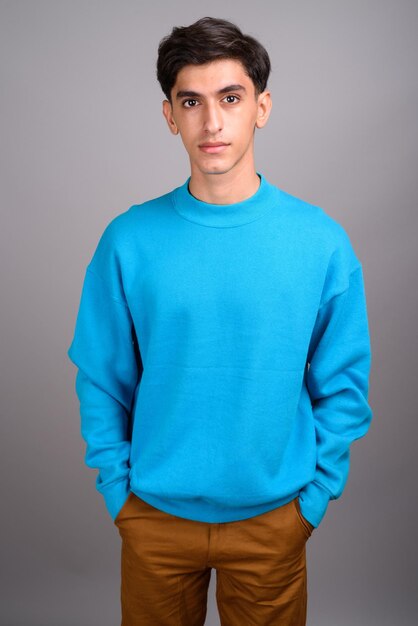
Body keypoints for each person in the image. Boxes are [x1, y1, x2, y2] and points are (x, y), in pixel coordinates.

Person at [67, 15, 373, 626]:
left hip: (273, 519)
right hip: (153, 517)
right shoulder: (128, 240)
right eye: (192, 102)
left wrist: (312, 502)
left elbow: (344, 385)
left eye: (230, 99)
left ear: (261, 107)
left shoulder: (320, 242)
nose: (212, 123)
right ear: (169, 115)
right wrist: (118, 495)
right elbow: (102, 374)